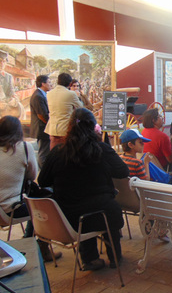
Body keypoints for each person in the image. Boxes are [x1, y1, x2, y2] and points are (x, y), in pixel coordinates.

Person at [38, 108, 128, 270]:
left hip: (66, 219)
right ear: (93, 127)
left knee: (85, 206)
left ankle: (90, 258)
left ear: (70, 126)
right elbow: (123, 171)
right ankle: (115, 256)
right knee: (106, 206)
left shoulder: (57, 153)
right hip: (103, 216)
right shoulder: (102, 150)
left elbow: (43, 180)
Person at [0, 116, 62, 262]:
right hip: (11, 208)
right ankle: (40, 246)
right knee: (43, 205)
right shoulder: (23, 148)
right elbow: (32, 175)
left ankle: (28, 240)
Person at [45, 73, 83, 150]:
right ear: (69, 84)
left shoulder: (49, 93)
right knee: (66, 155)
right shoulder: (71, 94)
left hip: (52, 129)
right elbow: (81, 108)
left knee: (54, 154)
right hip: (65, 129)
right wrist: (78, 97)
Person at [30, 75, 52, 168]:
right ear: (43, 84)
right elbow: (41, 115)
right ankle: (43, 173)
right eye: (49, 82)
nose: (50, 84)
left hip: (44, 127)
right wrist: (49, 125)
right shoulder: (38, 96)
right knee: (43, 152)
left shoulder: (42, 94)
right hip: (41, 128)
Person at [0, 50, 23, 118]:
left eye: (3, 61)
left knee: (19, 107)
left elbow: (12, 91)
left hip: (5, 105)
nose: (1, 64)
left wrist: (14, 99)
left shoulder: (8, 76)